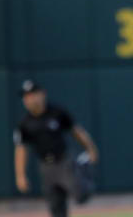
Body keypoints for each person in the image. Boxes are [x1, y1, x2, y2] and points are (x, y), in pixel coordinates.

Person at [14, 80, 99, 217]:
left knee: (80, 195)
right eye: (26, 97)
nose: (29, 99)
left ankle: (84, 168)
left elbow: (77, 131)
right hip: (45, 167)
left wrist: (91, 148)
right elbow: (21, 150)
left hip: (64, 161)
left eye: (32, 95)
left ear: (42, 94)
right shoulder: (24, 124)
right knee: (56, 208)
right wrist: (20, 175)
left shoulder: (57, 112)